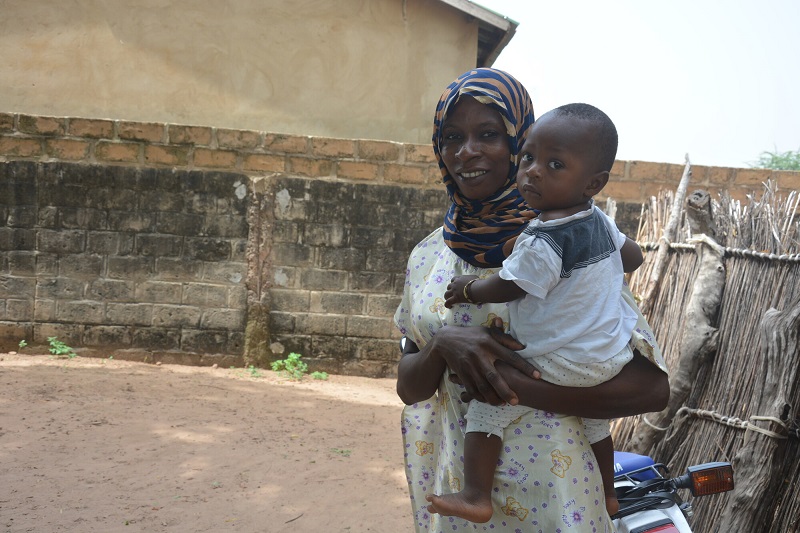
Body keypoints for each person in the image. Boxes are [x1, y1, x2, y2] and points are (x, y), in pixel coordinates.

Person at [394, 68, 669, 532]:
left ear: (516, 140)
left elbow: (650, 388)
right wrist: (444, 345)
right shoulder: (428, 255)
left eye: (488, 134)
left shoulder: (572, 241)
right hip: (461, 497)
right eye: (452, 138)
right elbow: (409, 388)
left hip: (556, 500)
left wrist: (504, 386)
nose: (467, 152)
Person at [438, 103, 637, 522]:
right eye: (527, 157)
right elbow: (632, 255)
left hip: (559, 359)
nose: (533, 171)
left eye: (555, 164)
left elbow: (509, 285)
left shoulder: (543, 237)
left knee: (487, 403)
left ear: (593, 182)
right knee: (595, 423)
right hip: (606, 356)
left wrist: (470, 289)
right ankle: (609, 494)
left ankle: (475, 494)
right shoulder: (598, 219)